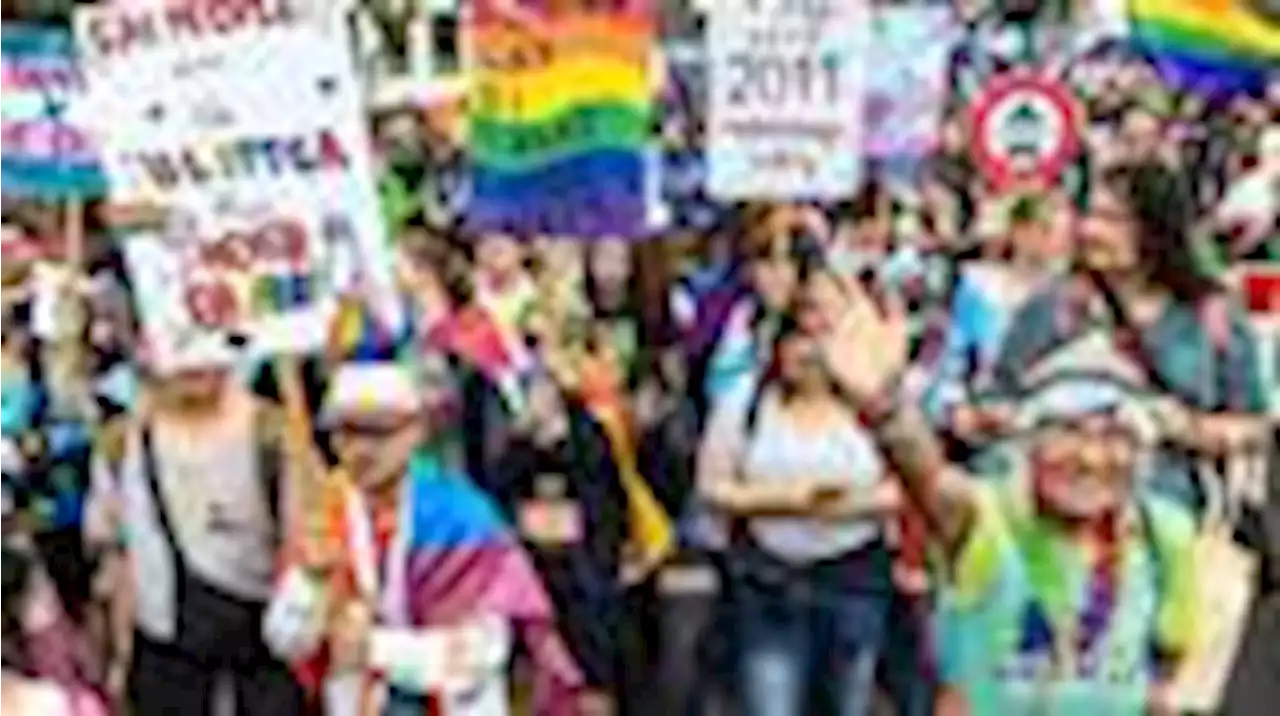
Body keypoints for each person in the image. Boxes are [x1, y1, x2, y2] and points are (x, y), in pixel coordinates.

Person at [805, 251, 1201, 715]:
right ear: (1028, 441)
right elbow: (928, 478)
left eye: (1115, 437)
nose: (1091, 458)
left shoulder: (1163, 534)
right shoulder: (986, 518)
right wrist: (885, 409)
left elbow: (1167, 683)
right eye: (1068, 431)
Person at [264, 329, 588, 715]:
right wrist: (310, 583)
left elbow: (482, 652)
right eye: (348, 432)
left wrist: (377, 648)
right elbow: (285, 643)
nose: (363, 450)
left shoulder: (464, 519)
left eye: (380, 432)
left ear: (416, 431)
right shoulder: (325, 514)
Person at [991, 161, 1269, 509]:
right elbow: (999, 399)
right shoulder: (1054, 307)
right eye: (1089, 215)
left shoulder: (1212, 315)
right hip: (1062, 515)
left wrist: (1188, 429)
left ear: (1155, 229)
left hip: (1171, 517)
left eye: (1112, 219)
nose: (1091, 231)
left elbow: (1253, 424)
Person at [695, 265, 902, 716]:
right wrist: (787, 499)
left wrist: (842, 505)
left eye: (821, 338)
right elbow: (712, 486)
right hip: (768, 583)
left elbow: (906, 488)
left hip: (854, 578)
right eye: (797, 338)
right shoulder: (746, 403)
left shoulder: (875, 407)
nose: (808, 353)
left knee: (846, 701)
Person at [88, 331, 306, 716]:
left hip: (263, 658)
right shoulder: (121, 444)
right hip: (167, 661)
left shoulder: (272, 433)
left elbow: (304, 543)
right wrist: (120, 657)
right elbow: (119, 561)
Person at [0, 546, 106, 716]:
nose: (51, 595)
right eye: (35, 593)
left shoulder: (65, 634)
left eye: (46, 583)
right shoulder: (41, 699)